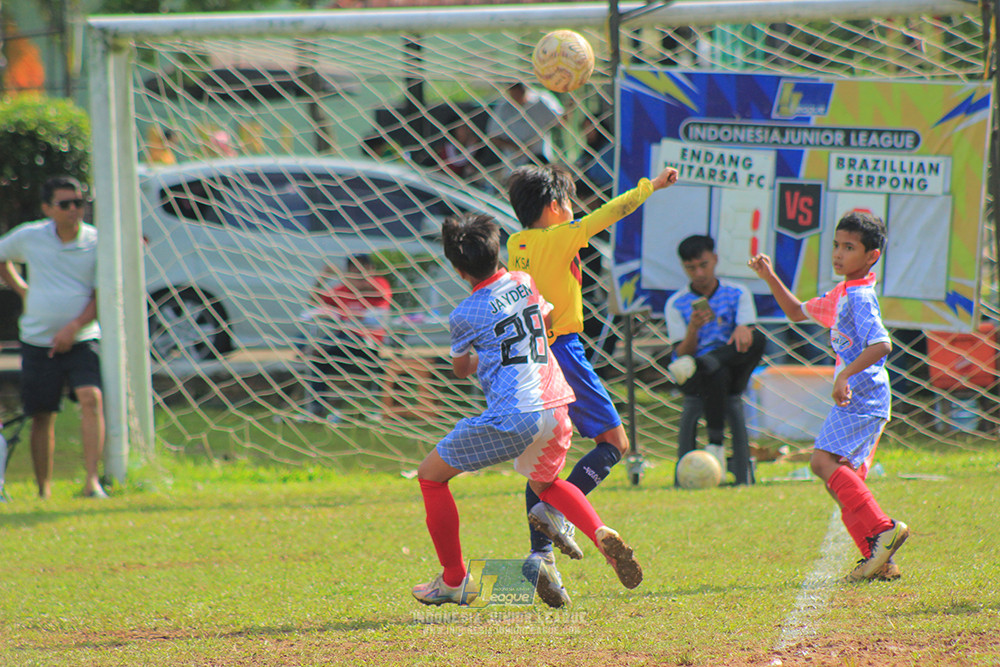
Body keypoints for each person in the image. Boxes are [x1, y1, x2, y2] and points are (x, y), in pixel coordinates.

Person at [412, 212, 643, 606]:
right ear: (496, 249)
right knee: (546, 485)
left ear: (457, 269)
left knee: (431, 477)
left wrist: (483, 358)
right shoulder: (524, 281)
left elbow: (460, 369)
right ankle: (600, 532)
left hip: (514, 414)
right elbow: (546, 317)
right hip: (556, 406)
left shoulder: (464, 313)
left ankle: (454, 580)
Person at [505, 163, 678, 607]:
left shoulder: (516, 242)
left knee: (542, 464)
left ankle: (541, 555)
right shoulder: (559, 235)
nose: (572, 210)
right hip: (563, 351)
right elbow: (610, 213)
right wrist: (651, 185)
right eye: (567, 202)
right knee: (615, 442)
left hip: (529, 359)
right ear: (552, 206)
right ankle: (555, 512)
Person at [748, 210, 908, 582]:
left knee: (822, 464)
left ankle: (883, 531)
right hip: (859, 396)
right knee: (841, 478)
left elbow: (881, 344)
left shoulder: (860, 297)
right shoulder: (841, 293)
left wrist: (845, 376)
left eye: (849, 247)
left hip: (864, 395)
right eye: (836, 245)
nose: (838, 254)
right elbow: (794, 310)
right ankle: (879, 560)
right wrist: (768, 275)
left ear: (872, 256)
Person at [0, 176, 106, 499]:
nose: (74, 210)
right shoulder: (31, 236)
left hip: (83, 338)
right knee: (42, 413)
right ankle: (43, 489)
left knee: (92, 399)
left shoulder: (96, 240)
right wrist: (20, 288)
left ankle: (92, 482)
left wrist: (72, 328)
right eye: (65, 204)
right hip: (37, 340)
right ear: (47, 208)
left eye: (79, 203)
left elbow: (102, 294)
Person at [664, 234, 766, 483]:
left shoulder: (736, 293)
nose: (698, 273)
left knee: (758, 339)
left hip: (730, 366)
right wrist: (693, 330)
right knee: (714, 371)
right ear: (683, 267)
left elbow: (748, 337)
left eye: (703, 265)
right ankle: (717, 446)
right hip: (696, 376)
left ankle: (707, 362)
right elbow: (682, 355)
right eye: (691, 268)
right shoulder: (677, 303)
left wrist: (744, 327)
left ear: (715, 260)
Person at [298, 254, 391, 422]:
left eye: (361, 267)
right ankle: (317, 408)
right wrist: (323, 278)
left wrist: (341, 276)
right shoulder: (342, 289)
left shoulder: (378, 283)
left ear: (371, 269)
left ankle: (375, 408)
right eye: (353, 268)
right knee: (316, 356)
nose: (357, 271)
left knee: (324, 347)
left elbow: (368, 288)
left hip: (368, 343)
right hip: (342, 341)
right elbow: (314, 300)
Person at [486, 83, 564, 171]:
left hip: (541, 158)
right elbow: (493, 136)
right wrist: (517, 147)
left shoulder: (542, 100)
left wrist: (569, 107)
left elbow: (561, 123)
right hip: (514, 163)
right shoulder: (504, 106)